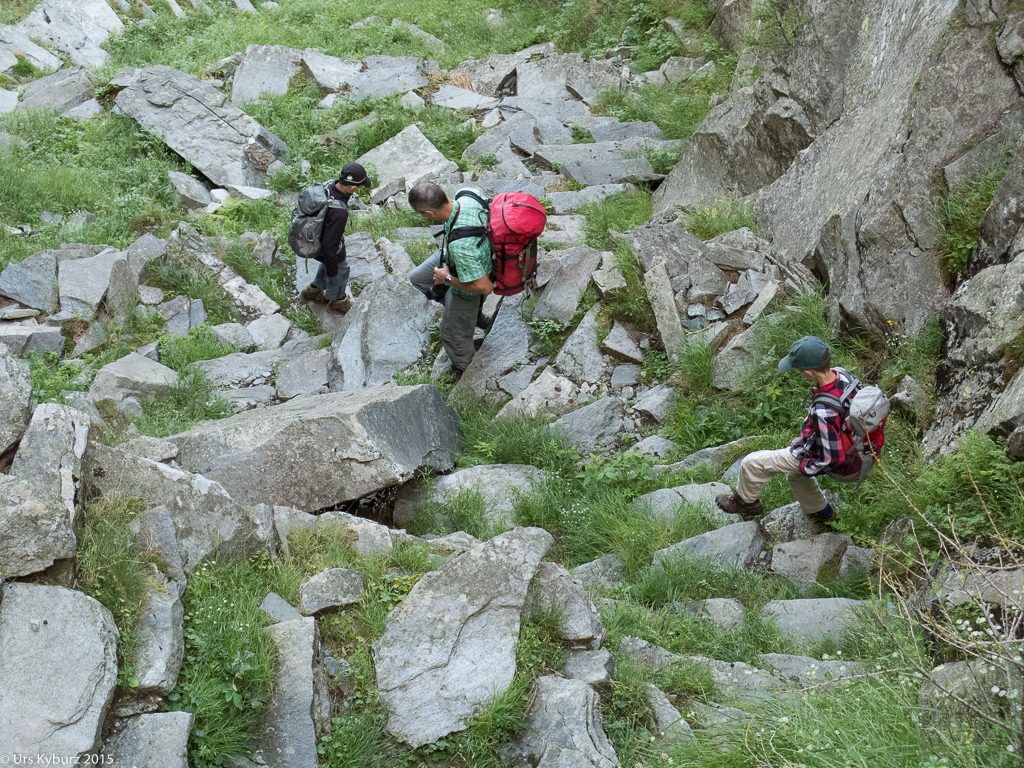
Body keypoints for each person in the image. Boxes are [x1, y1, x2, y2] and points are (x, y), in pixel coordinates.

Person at [715, 335, 878, 524]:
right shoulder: (842, 374)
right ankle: (822, 513)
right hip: (862, 449)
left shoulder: (823, 412)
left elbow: (832, 459)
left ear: (809, 372)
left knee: (752, 463)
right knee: (795, 475)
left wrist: (804, 465)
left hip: (845, 463)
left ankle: (746, 503)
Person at [407, 181, 495, 378]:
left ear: (429, 214)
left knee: (451, 335)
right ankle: (472, 317)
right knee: (417, 279)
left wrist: (446, 279)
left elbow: (485, 287)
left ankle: (467, 370)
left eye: (422, 214)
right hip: (452, 256)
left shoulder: (461, 246)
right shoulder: (467, 194)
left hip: (468, 276)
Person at [299, 163, 371, 315]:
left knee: (327, 262)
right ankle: (337, 303)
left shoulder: (329, 185)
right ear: (352, 187)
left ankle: (312, 292)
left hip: (313, 240)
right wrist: (333, 271)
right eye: (358, 186)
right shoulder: (339, 213)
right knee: (340, 269)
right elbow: (329, 247)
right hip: (326, 246)